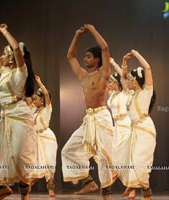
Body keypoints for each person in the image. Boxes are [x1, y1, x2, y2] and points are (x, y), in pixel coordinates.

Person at [0, 24, 42, 200]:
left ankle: (25, 194)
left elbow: (16, 48)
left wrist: (5, 31)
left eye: (5, 53)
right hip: (6, 116)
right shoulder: (4, 71)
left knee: (18, 156)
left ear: (13, 57)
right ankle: (3, 187)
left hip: (20, 116)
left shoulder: (21, 72)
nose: (1, 56)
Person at [61, 24, 114, 200]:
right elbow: (70, 56)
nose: (85, 59)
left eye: (89, 56)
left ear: (97, 60)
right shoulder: (83, 76)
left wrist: (92, 30)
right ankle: (88, 181)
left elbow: (105, 48)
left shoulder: (103, 74)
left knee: (104, 156)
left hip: (101, 117)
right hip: (89, 119)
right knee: (67, 150)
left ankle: (105, 193)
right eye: (85, 56)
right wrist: (76, 35)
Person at [118, 49, 157, 200]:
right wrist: (124, 62)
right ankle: (138, 188)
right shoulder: (130, 93)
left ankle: (143, 189)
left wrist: (136, 54)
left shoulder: (146, 91)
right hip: (134, 130)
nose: (128, 80)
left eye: (131, 79)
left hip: (145, 129)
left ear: (136, 80)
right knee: (129, 160)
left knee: (140, 162)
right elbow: (123, 75)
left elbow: (147, 68)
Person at [30, 75, 58, 197]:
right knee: (34, 163)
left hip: (47, 138)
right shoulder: (33, 111)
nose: (34, 101)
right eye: (33, 99)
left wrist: (40, 83)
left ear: (42, 100)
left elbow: (46, 94)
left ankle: (51, 189)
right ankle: (28, 185)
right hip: (35, 139)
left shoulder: (47, 109)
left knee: (48, 163)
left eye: (36, 99)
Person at [108, 58, 131, 179]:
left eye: (111, 81)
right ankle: (118, 173)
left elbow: (123, 76)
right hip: (116, 126)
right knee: (115, 151)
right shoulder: (112, 95)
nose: (109, 84)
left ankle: (130, 185)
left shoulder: (125, 93)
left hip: (126, 124)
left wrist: (113, 63)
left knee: (125, 152)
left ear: (117, 83)